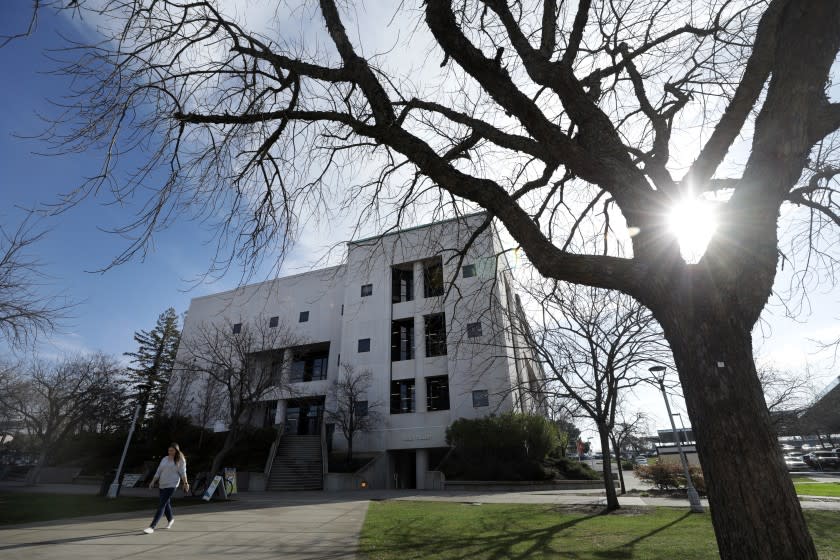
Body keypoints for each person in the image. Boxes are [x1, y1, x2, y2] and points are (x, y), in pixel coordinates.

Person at [143, 443, 189, 534]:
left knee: (161, 504)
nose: (170, 452)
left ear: (176, 450)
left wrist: (185, 483)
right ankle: (171, 519)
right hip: (162, 484)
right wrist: (153, 481)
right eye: (169, 450)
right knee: (166, 503)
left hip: (172, 484)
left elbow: (183, 473)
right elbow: (159, 471)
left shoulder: (180, 460)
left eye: (172, 450)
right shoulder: (164, 459)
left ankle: (152, 526)